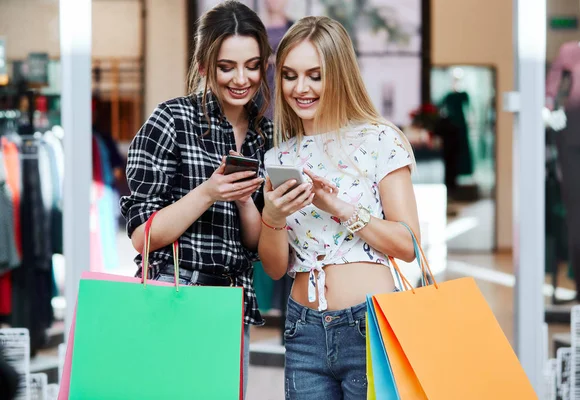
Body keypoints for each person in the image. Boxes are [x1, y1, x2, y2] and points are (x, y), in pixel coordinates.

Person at [258, 16, 420, 399]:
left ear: (340, 73)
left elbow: (409, 244)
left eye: (315, 75)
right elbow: (276, 267)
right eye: (290, 75)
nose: (301, 88)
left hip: (369, 325)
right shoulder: (279, 156)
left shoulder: (379, 139)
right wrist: (273, 217)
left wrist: (335, 205)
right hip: (303, 331)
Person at [119, 0, 273, 395]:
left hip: (231, 305)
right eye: (227, 67)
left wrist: (241, 200)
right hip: (173, 295)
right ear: (204, 66)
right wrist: (207, 192)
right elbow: (143, 237)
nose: (242, 78)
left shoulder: (265, 136)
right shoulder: (171, 120)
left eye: (252, 65)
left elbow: (256, 244)